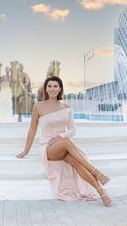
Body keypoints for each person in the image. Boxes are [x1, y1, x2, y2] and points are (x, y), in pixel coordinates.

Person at [17, 76, 112, 206]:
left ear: (60, 88)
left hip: (63, 145)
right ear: (45, 88)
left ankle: (102, 193)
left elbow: (73, 130)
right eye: (49, 86)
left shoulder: (66, 107)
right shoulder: (38, 106)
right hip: (48, 147)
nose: (52, 89)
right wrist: (25, 150)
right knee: (67, 142)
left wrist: (60, 137)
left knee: (77, 162)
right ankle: (97, 172)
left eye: (55, 86)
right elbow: (32, 129)